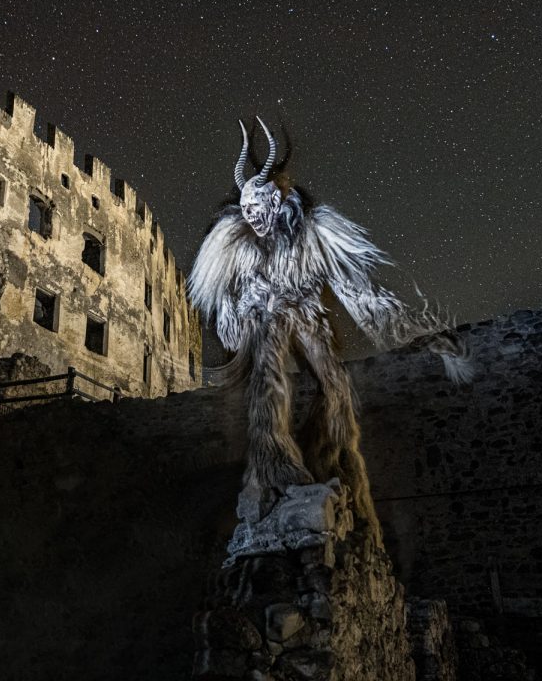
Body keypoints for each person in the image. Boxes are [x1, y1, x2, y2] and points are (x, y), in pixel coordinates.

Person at [189, 117, 473, 537]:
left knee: (336, 384)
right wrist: (244, 316)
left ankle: (335, 457)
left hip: (307, 312)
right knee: (268, 378)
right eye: (247, 210)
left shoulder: (312, 234)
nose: (253, 217)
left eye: (258, 207)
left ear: (278, 200)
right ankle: (272, 461)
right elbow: (229, 304)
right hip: (267, 313)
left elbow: (356, 289)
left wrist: (414, 330)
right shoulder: (237, 248)